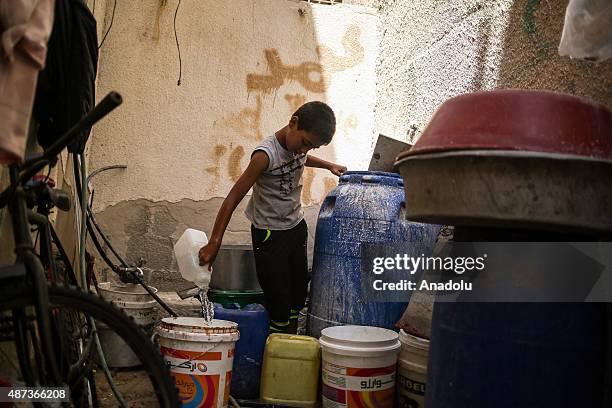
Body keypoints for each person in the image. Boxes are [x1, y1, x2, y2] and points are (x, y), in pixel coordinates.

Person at [198, 101, 346, 333]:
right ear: (293, 123)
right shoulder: (264, 156)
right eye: (305, 143)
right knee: (279, 299)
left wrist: (329, 165)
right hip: (269, 234)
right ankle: (277, 351)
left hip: (295, 227)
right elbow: (232, 198)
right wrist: (214, 242)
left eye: (311, 148)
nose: (304, 151)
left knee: (298, 294)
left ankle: (293, 343)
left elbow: (303, 158)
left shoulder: (298, 147)